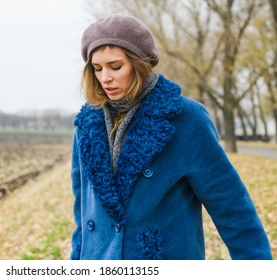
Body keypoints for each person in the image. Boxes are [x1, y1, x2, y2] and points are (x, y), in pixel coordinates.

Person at [70, 14, 273, 260]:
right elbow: (82, 209)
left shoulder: (185, 118)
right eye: (97, 68)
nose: (105, 78)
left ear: (139, 63)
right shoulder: (86, 125)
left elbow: (229, 205)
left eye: (115, 67)